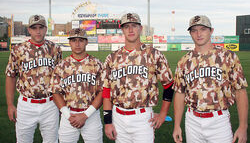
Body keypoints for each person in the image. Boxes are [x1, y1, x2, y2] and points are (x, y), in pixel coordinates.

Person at [172, 15, 248, 143]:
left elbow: (240, 92)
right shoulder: (184, 61)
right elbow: (180, 93)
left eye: (203, 29)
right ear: (190, 33)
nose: (198, 34)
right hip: (192, 120)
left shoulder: (227, 56)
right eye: (194, 30)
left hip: (219, 121)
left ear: (211, 31)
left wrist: (243, 126)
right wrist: (176, 125)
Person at [102, 13, 174, 143]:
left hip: (143, 117)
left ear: (140, 28)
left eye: (134, 26)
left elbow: (169, 85)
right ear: (122, 30)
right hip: (118, 116)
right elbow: (106, 91)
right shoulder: (112, 58)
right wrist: (107, 122)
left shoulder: (154, 55)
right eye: (126, 26)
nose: (130, 30)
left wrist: (163, 114)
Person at [5, 14, 62, 143]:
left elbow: (59, 79)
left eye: (41, 27)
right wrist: (10, 104)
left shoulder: (55, 49)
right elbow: (11, 76)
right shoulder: (18, 49)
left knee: (51, 141)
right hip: (26, 105)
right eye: (34, 27)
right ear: (29, 30)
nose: (38, 31)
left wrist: (61, 104)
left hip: (50, 104)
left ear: (45, 29)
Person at [49, 28, 103, 143]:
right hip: (68, 116)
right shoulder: (61, 66)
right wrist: (68, 115)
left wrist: (85, 115)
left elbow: (103, 92)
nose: (77, 44)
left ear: (86, 42)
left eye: (81, 40)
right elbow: (55, 92)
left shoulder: (97, 64)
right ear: (69, 42)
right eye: (74, 40)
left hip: (91, 115)